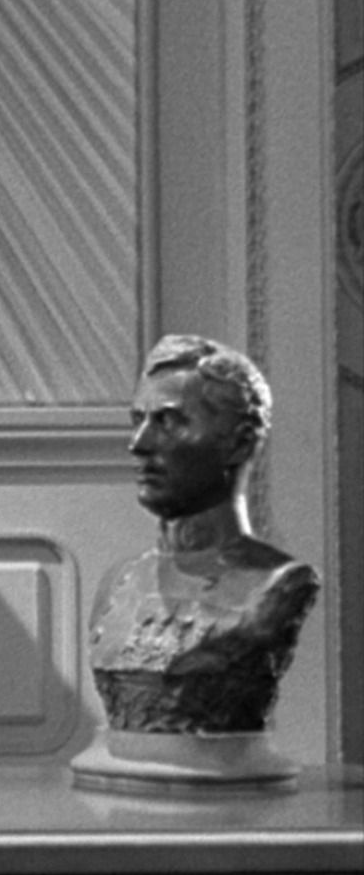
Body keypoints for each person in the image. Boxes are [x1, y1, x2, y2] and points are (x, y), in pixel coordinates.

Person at [73, 335, 319, 785]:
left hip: (229, 805)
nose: (139, 443)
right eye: (138, 420)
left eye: (169, 422)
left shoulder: (277, 585)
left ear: (239, 444)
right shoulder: (120, 583)